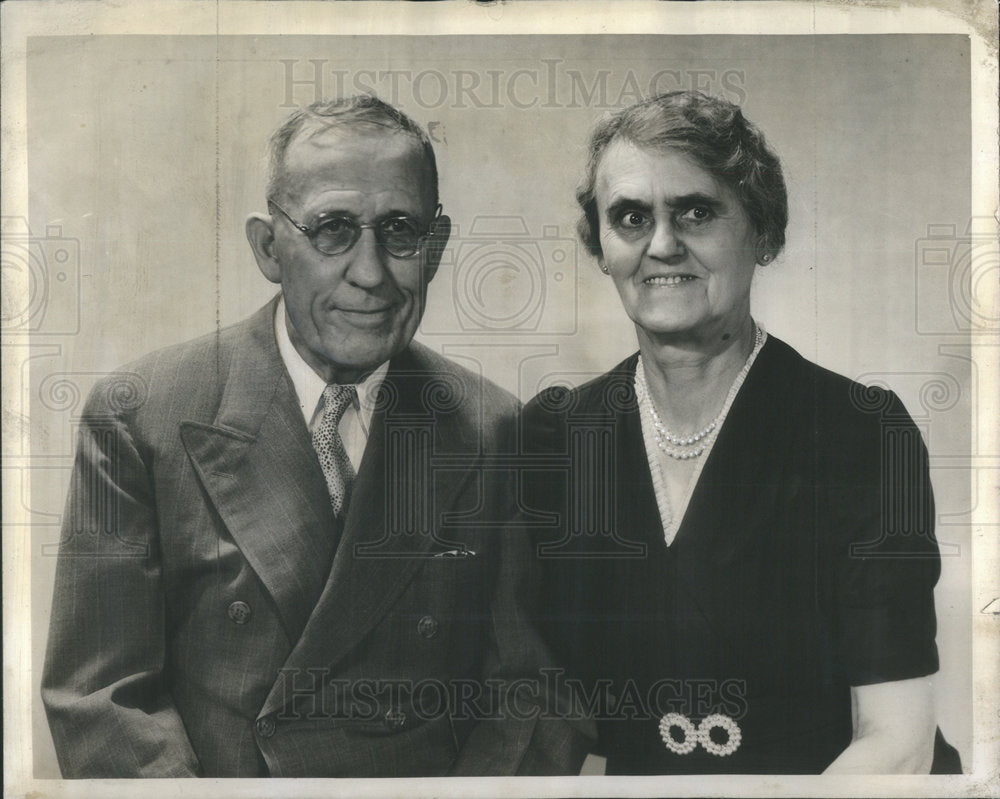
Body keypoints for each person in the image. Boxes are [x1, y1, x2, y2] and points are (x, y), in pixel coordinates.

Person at [42, 95, 588, 778]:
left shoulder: (494, 428)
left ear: (437, 247)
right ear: (269, 247)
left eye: (400, 231)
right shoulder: (140, 416)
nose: (370, 272)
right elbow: (102, 701)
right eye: (333, 229)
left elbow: (530, 694)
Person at [522, 91, 961, 774]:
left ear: (763, 231)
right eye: (631, 217)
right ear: (601, 246)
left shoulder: (861, 434)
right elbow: (537, 713)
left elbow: (899, 745)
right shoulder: (556, 438)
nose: (662, 244)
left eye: (696, 211)